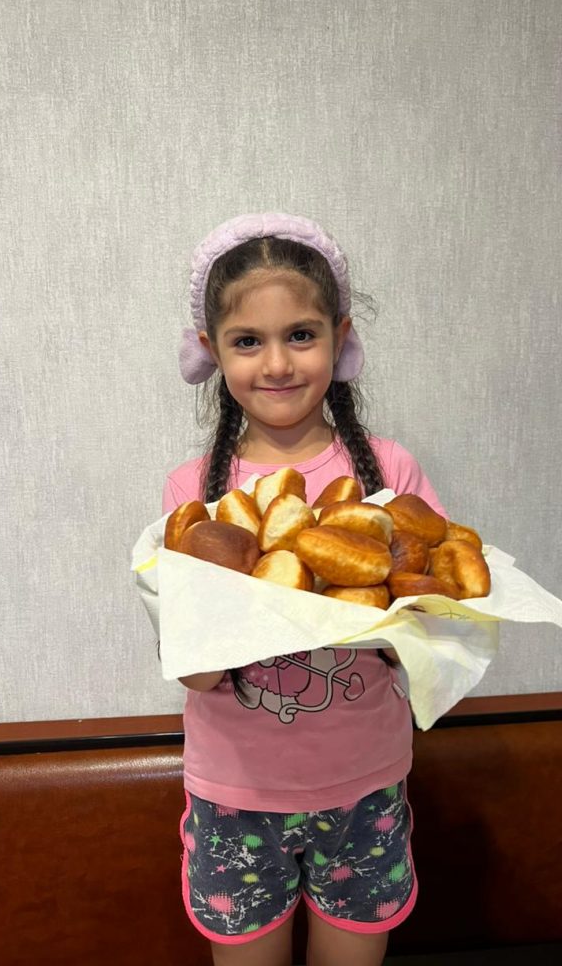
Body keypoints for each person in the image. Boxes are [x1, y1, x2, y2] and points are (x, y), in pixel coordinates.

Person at [162, 212, 448, 966]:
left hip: (365, 785)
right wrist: (245, 611)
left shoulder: (389, 475)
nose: (277, 363)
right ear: (210, 350)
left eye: (300, 334)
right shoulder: (195, 495)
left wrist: (382, 611)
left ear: (339, 337)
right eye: (247, 341)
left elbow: (428, 637)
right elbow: (195, 671)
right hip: (236, 794)